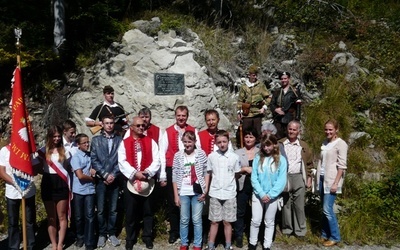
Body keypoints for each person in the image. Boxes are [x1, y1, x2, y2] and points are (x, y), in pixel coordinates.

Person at [159, 105, 200, 244]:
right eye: (179, 115)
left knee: (190, 198)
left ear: (187, 116)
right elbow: (162, 153)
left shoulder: (193, 130)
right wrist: (163, 174)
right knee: (173, 201)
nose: (181, 118)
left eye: (183, 115)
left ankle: (190, 233)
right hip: (173, 169)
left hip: (190, 169)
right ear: (175, 116)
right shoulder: (168, 131)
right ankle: (174, 231)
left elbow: (198, 151)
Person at [118, 116, 160, 250]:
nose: (141, 128)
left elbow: (157, 160)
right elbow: (122, 161)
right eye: (138, 125)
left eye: (143, 125)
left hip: (148, 181)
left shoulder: (151, 142)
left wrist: (147, 173)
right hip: (131, 182)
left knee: (148, 212)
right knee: (130, 212)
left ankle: (147, 237)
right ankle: (130, 238)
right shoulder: (124, 143)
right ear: (131, 127)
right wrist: (135, 174)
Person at [249, 134, 287, 250]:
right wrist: (261, 193)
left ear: (274, 145)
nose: (266, 148)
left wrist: (271, 195)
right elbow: (254, 177)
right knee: (255, 220)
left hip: (272, 196)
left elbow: (281, 180)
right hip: (258, 194)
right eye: (264, 146)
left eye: (269, 145)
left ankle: (267, 245)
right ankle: (252, 243)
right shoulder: (257, 158)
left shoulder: (281, 160)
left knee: (269, 221)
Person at [172, 131, 208, 250]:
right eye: (185, 142)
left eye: (190, 141)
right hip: (183, 191)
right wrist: (176, 195)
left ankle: (197, 244)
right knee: (184, 219)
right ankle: (184, 243)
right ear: (182, 142)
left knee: (197, 219)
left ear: (194, 142)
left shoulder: (201, 154)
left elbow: (206, 172)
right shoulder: (178, 155)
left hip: (197, 191)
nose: (187, 144)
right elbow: (174, 175)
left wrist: (205, 190)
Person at [91, 115, 123, 247]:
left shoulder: (120, 140)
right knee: (100, 209)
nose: (109, 125)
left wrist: (113, 175)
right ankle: (102, 234)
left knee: (114, 209)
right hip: (100, 180)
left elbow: (121, 159)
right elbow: (94, 159)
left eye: (111, 123)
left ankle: (112, 233)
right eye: (107, 123)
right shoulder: (96, 140)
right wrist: (104, 175)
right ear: (102, 125)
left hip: (114, 180)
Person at [205, 130, 240, 250]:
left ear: (228, 142)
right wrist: (206, 189)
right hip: (215, 193)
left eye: (224, 141)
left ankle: (228, 244)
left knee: (227, 221)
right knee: (214, 221)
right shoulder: (211, 157)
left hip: (229, 193)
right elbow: (209, 173)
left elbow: (236, 174)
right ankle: (211, 245)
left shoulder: (234, 157)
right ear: (215, 143)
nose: (222, 144)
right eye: (219, 142)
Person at [37, 125, 71, 250]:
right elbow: (36, 166)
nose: (56, 138)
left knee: (62, 216)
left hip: (61, 182)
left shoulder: (65, 150)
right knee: (51, 217)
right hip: (48, 182)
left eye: (58, 136)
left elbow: (67, 167)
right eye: (54, 136)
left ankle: (61, 243)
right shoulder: (43, 150)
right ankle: (53, 243)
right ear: (49, 137)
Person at [279, 120, 313, 237]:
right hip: (285, 176)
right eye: (290, 129)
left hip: (299, 176)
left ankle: (300, 231)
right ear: (287, 129)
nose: (291, 131)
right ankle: (287, 229)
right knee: (286, 204)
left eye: (294, 129)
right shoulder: (280, 143)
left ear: (299, 131)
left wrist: (309, 178)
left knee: (299, 205)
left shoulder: (304, 145)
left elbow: (309, 164)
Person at [0, 141, 37, 250]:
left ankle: (30, 246)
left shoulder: (28, 150)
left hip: (28, 191)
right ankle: (14, 247)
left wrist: (25, 178)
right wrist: (16, 183)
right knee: (13, 222)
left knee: (29, 221)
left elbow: (35, 169)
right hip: (12, 192)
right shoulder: (4, 151)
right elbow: (2, 172)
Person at [317, 119, 348, 247]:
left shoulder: (341, 144)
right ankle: (324, 234)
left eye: (330, 129)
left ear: (336, 129)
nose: (328, 132)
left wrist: (336, 183)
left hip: (332, 180)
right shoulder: (325, 142)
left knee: (327, 209)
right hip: (322, 178)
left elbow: (342, 166)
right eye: (326, 129)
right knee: (323, 208)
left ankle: (335, 236)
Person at [233, 128, 259, 248]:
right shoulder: (237, 152)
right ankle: (239, 235)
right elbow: (232, 169)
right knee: (240, 210)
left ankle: (255, 235)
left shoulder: (260, 152)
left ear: (256, 139)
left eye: (251, 137)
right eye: (247, 137)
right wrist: (243, 169)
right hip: (242, 183)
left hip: (257, 184)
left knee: (256, 210)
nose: (248, 139)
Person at [70, 133, 96, 250]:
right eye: (84, 143)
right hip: (79, 190)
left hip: (90, 190)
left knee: (90, 216)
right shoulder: (76, 157)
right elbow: (80, 176)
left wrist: (94, 172)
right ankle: (80, 236)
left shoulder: (91, 156)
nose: (87, 144)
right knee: (79, 216)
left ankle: (89, 241)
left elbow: (94, 168)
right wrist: (93, 178)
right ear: (78, 145)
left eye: (87, 142)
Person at [237, 65, 270, 146]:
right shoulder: (244, 87)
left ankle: (258, 150)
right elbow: (240, 100)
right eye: (252, 74)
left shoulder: (261, 85)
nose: (254, 76)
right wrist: (239, 112)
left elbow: (268, 97)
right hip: (247, 114)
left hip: (257, 113)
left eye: (255, 74)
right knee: (245, 132)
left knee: (258, 133)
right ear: (249, 74)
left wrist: (264, 108)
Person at [270, 72, 301, 139]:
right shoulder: (277, 91)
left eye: (285, 78)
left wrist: (297, 119)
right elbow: (272, 104)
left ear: (288, 79)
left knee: (290, 138)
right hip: (278, 119)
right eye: (282, 79)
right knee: (277, 138)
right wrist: (276, 109)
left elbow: (298, 106)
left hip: (289, 118)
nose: (283, 80)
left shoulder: (294, 91)